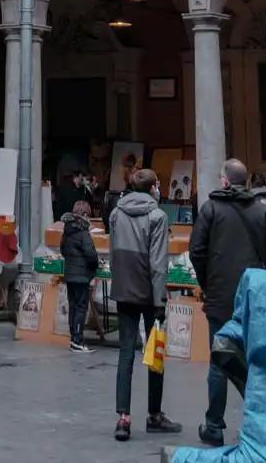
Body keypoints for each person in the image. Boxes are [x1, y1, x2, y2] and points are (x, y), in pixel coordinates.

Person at [189, 158, 266, 449]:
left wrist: (208, 284)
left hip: (220, 297)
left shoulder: (210, 209)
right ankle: (258, 425)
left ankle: (214, 426)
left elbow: (196, 251)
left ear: (223, 181)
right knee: (255, 361)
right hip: (253, 297)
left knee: (219, 360)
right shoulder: (263, 212)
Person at [108, 168, 181, 442]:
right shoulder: (158, 216)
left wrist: (119, 281)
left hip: (124, 290)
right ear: (152, 188)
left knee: (126, 352)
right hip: (149, 293)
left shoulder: (116, 214)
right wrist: (160, 299)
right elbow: (158, 262)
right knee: (155, 351)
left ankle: (123, 418)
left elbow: (113, 255)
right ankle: (154, 414)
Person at [60, 198, 100, 353]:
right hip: (82, 275)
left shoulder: (67, 230)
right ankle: (77, 340)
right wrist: (94, 265)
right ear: (85, 215)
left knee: (73, 305)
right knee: (81, 307)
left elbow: (63, 250)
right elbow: (91, 254)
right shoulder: (84, 233)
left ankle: (73, 337)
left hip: (70, 273)